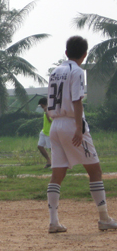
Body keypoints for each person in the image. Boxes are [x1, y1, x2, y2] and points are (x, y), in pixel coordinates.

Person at [46, 35, 117, 233]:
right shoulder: (77, 71)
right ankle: (104, 218)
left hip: (55, 125)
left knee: (57, 174)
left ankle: (54, 222)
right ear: (84, 55)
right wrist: (78, 128)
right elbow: (77, 100)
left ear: (66, 52)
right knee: (95, 171)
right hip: (71, 123)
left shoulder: (55, 72)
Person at [37, 97, 52, 168]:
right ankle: (49, 161)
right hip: (44, 131)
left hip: (49, 132)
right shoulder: (46, 110)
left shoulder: (50, 109)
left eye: (41, 105)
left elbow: (50, 120)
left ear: (43, 104)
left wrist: (46, 112)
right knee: (40, 146)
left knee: (51, 149)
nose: (41, 107)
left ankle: (56, 163)